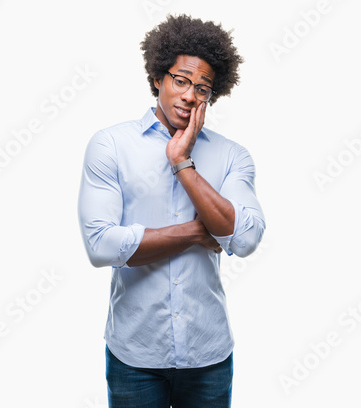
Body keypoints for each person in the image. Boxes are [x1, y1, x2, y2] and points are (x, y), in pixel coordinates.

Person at [78, 14, 266, 408]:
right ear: (157, 80)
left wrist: (182, 162)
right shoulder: (111, 145)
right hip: (135, 354)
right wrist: (198, 233)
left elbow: (245, 238)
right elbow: (100, 245)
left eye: (203, 88)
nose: (190, 95)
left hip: (208, 354)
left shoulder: (231, 155)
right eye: (181, 81)